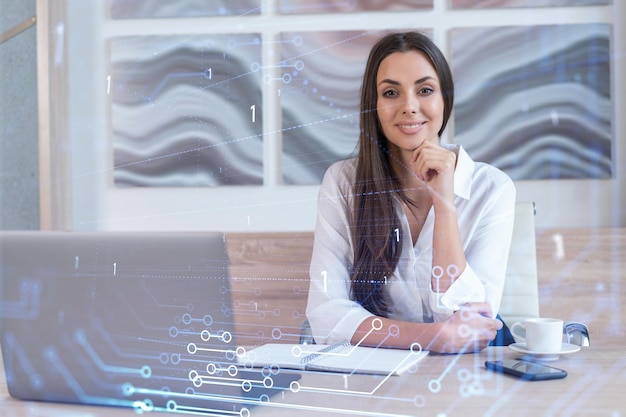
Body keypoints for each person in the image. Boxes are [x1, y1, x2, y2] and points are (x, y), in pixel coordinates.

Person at [305, 31, 516, 354]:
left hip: (464, 378)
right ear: (373, 105)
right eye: (391, 92)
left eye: (425, 90)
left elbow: (473, 321)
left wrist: (445, 205)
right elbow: (327, 314)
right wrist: (430, 336)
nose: (409, 107)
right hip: (372, 374)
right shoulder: (343, 183)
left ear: (445, 98)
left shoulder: (492, 189)